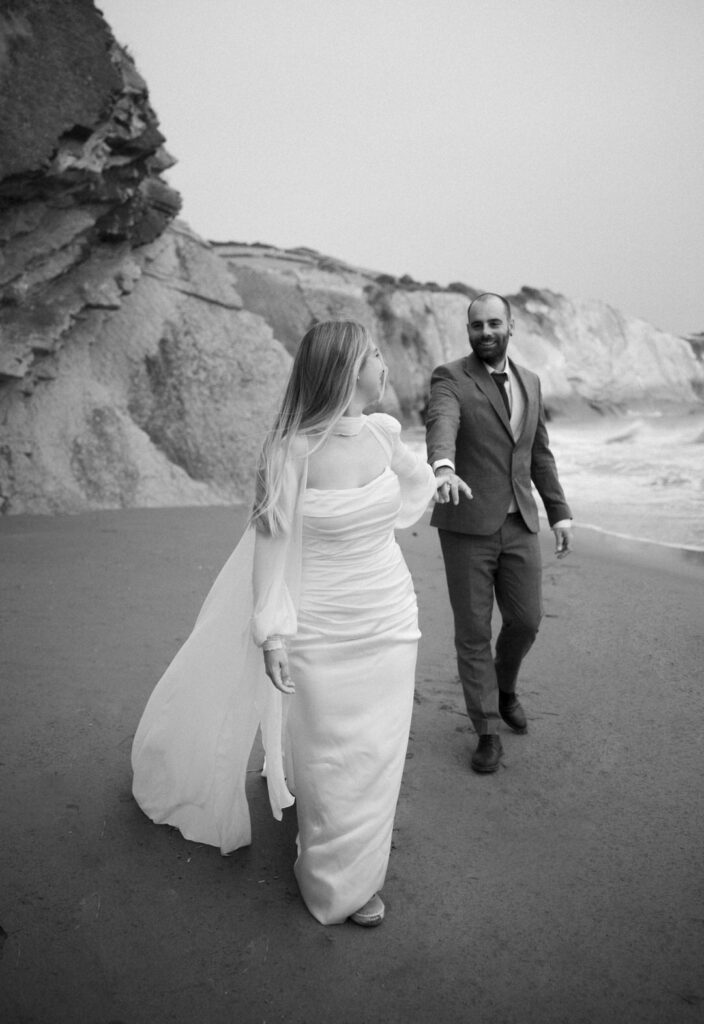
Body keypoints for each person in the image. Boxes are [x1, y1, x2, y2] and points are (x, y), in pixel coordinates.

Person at [131, 319, 468, 927]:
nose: (383, 363)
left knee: (379, 749)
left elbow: (414, 481)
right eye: (372, 354)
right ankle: (334, 881)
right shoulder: (291, 451)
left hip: (390, 613)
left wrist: (440, 477)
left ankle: (361, 867)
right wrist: (273, 633)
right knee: (332, 753)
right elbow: (270, 545)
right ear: (345, 370)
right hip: (321, 621)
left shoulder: (384, 432)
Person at [425, 292, 572, 774]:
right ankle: (487, 730)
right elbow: (440, 422)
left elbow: (539, 454)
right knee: (472, 633)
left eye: (493, 324)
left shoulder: (530, 381)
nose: (484, 333)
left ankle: (505, 687)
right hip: (466, 524)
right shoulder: (451, 377)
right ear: (467, 331)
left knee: (527, 620)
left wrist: (559, 513)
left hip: (520, 523)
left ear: (511, 327)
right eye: (476, 326)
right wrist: (443, 466)